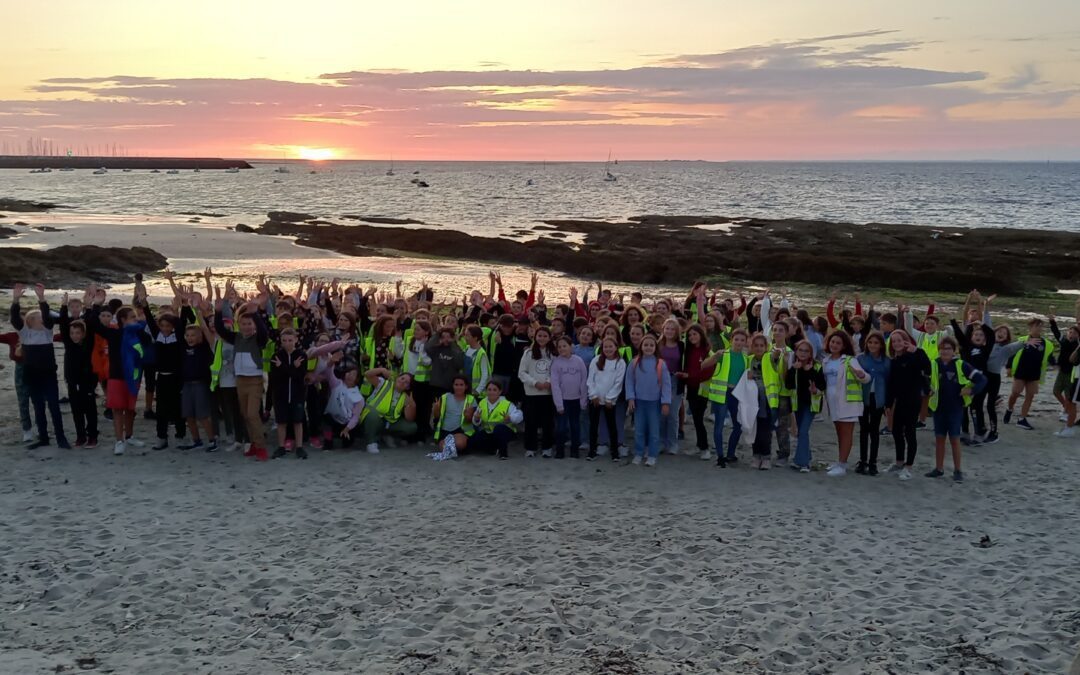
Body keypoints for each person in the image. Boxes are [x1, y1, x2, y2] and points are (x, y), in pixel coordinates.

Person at [87, 284, 149, 455]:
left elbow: (149, 325)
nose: (135, 320)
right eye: (132, 318)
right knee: (117, 409)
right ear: (123, 320)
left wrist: (144, 303)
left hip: (133, 376)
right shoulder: (113, 334)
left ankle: (129, 436)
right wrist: (96, 304)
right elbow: (93, 323)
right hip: (116, 376)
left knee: (130, 409)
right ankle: (119, 440)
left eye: (135, 318)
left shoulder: (139, 333)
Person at [11, 283, 70, 449]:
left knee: (54, 407)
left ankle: (61, 438)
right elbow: (15, 318)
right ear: (31, 321)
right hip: (31, 375)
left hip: (48, 374)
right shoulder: (25, 333)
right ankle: (43, 438)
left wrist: (42, 298)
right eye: (40, 318)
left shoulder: (47, 332)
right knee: (38, 407)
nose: (44, 320)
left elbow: (48, 316)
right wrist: (15, 299)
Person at [214, 302, 270, 461]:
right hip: (240, 380)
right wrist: (218, 312)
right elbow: (220, 330)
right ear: (239, 324)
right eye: (243, 324)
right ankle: (252, 443)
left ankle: (261, 447)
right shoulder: (236, 338)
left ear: (254, 325)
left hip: (255, 380)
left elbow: (264, 333)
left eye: (249, 324)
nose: (246, 327)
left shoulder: (258, 339)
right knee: (245, 414)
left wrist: (255, 314)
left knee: (253, 414)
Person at [926, 336, 987, 482]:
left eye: (948, 348)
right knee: (939, 439)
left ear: (954, 350)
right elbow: (924, 379)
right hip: (938, 408)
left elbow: (982, 380)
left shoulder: (961, 365)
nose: (945, 351)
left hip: (955, 408)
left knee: (954, 439)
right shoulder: (934, 364)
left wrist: (971, 390)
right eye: (942, 348)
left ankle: (958, 470)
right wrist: (927, 388)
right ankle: (939, 468)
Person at [821, 331, 871, 477]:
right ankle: (840, 461)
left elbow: (866, 378)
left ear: (843, 346)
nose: (834, 345)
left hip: (848, 401)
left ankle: (842, 464)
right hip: (832, 401)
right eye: (832, 342)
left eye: (838, 343)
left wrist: (861, 375)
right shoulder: (826, 360)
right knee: (839, 432)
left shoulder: (850, 360)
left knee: (846, 433)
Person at [883, 330, 931, 480]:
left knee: (910, 432)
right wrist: (888, 403)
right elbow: (891, 384)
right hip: (899, 401)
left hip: (913, 400)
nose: (897, 343)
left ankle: (908, 466)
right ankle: (899, 462)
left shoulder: (914, 356)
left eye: (899, 340)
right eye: (894, 341)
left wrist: (916, 351)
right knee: (897, 432)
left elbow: (927, 367)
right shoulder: (893, 361)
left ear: (906, 341)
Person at [701, 328, 750, 467]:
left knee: (738, 425)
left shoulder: (746, 359)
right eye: (736, 339)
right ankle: (720, 456)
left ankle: (730, 453)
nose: (739, 342)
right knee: (719, 425)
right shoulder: (723, 354)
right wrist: (714, 357)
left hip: (736, 395)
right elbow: (703, 365)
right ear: (731, 341)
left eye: (742, 340)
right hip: (721, 394)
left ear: (745, 342)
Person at [624, 334, 672, 467]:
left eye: (651, 345)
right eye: (646, 345)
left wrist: (665, 402)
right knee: (639, 429)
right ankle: (639, 453)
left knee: (654, 430)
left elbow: (666, 384)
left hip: (654, 403)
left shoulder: (661, 364)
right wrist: (630, 398)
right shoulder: (634, 363)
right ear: (641, 346)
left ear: (655, 347)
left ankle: (652, 455)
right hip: (639, 402)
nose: (648, 347)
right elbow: (629, 382)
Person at [59, 294, 98, 448]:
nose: (75, 335)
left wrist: (88, 307)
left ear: (83, 334)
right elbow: (63, 325)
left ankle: (92, 436)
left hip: (87, 381)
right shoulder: (69, 344)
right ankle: (80, 436)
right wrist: (63, 306)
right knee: (76, 411)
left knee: (90, 410)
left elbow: (90, 324)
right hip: (72, 382)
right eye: (72, 333)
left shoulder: (88, 344)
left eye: (78, 333)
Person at [1005, 318, 1054, 430]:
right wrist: (1008, 367)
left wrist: (1055, 364)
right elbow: (1012, 353)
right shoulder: (1022, 340)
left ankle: (1022, 419)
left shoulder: (1046, 344)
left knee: (1030, 395)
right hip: (1021, 371)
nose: (1039, 328)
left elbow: (1050, 357)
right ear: (1030, 327)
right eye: (1036, 326)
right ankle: (1009, 409)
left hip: (1035, 373)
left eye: (1041, 326)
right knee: (1016, 392)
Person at [785, 340, 825, 472]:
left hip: (811, 405)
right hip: (798, 404)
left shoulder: (817, 366)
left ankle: (803, 463)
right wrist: (793, 370)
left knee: (802, 431)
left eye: (806, 351)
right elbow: (788, 385)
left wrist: (809, 373)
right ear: (796, 351)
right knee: (802, 433)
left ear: (811, 354)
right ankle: (806, 457)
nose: (803, 353)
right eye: (800, 350)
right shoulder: (794, 366)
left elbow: (821, 385)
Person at [179, 321, 218, 452]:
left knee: (202, 415)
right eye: (188, 335)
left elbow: (205, 330)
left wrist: (198, 312)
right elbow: (179, 327)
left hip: (200, 384)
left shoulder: (204, 348)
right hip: (187, 384)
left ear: (199, 337)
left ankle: (212, 441)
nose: (190, 338)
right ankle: (197, 441)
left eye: (193, 335)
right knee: (188, 415)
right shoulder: (183, 347)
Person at [586, 337, 627, 461]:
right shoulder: (596, 360)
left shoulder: (620, 363)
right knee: (593, 425)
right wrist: (593, 395)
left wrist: (610, 398)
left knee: (612, 426)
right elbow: (590, 380)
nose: (608, 349)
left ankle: (615, 452)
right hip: (595, 399)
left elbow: (618, 383)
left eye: (611, 346)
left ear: (616, 347)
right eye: (605, 347)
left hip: (610, 401)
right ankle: (592, 451)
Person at [358, 368, 417, 453]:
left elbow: (409, 419)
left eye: (407, 382)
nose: (403, 382)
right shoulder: (383, 383)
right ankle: (371, 442)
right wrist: (381, 370)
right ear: (397, 378)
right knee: (373, 414)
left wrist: (412, 405)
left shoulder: (405, 397)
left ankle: (386, 435)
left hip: (388, 423)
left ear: (408, 387)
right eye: (402, 378)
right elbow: (367, 374)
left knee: (412, 427)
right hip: (372, 418)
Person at [856, 331, 890, 475]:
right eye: (870, 342)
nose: (872, 345)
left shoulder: (887, 361)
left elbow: (889, 382)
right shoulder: (860, 358)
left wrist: (888, 404)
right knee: (863, 429)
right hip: (863, 398)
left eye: (876, 343)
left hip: (878, 399)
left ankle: (873, 462)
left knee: (874, 430)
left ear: (881, 345)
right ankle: (862, 461)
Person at [270, 327, 307, 458]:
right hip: (281, 394)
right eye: (284, 340)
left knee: (298, 421)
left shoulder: (302, 355)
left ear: (296, 340)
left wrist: (283, 368)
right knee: (281, 422)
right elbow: (276, 376)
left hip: (297, 394)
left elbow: (300, 375)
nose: (287, 343)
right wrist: (291, 368)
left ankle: (299, 447)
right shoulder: (276, 356)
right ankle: (281, 446)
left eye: (290, 340)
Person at [518, 326, 555, 458]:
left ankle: (547, 447)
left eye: (545, 336)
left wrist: (548, 382)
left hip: (548, 393)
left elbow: (556, 371)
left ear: (549, 337)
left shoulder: (553, 353)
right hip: (531, 393)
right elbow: (522, 373)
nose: (542, 338)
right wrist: (535, 383)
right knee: (531, 422)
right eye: (540, 336)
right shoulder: (528, 353)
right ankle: (530, 447)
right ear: (535, 337)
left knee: (547, 422)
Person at [550, 335, 588, 458]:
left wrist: (583, 399)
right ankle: (560, 451)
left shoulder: (578, 361)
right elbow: (555, 385)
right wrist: (559, 404)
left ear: (571, 346)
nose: (562, 349)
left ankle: (574, 450)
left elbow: (584, 380)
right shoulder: (556, 363)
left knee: (575, 426)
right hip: (563, 401)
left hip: (576, 400)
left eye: (564, 346)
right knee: (561, 427)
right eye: (559, 347)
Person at [470, 380, 524, 459]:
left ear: (500, 391)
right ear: (486, 391)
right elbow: (476, 421)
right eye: (489, 389)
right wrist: (477, 419)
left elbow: (519, 415)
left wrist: (510, 418)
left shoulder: (506, 403)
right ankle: (494, 449)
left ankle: (503, 453)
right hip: (489, 432)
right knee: (474, 440)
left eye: (494, 390)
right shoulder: (482, 402)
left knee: (499, 429)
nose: (491, 392)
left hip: (506, 432)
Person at [682, 324, 713, 460]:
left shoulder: (707, 351)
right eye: (689, 335)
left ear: (701, 334)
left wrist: (689, 376)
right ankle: (699, 445)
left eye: (695, 334)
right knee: (695, 418)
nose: (692, 337)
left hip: (702, 390)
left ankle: (705, 448)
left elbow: (707, 372)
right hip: (691, 388)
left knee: (699, 418)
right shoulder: (688, 351)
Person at [657, 318, 686, 456]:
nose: (669, 331)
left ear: (677, 331)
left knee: (673, 413)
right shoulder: (659, 344)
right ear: (663, 329)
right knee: (662, 413)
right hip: (660, 381)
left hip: (675, 380)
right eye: (667, 328)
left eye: (672, 329)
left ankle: (673, 443)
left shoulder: (681, 345)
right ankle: (662, 442)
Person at [430, 374, 476, 459]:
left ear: (466, 386)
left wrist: (467, 415)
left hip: (461, 430)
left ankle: (455, 448)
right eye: (456, 385)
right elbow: (437, 417)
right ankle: (453, 449)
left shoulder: (471, 399)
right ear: (453, 386)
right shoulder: (445, 397)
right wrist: (435, 410)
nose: (458, 387)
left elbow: (471, 421)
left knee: (459, 443)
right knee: (443, 448)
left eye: (461, 385)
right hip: (445, 430)